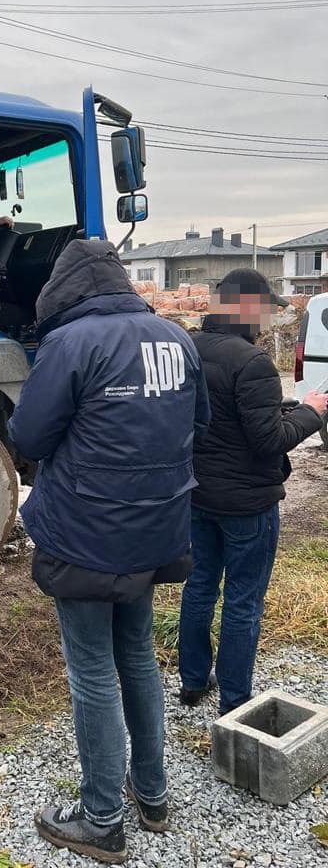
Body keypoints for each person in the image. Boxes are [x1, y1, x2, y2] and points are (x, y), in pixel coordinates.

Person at [8, 240, 210, 863]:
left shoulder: (72, 345)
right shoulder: (176, 339)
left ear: (65, 291)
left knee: (91, 669)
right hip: (156, 526)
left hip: (86, 534)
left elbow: (29, 435)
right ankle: (151, 794)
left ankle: (100, 818)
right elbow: (196, 425)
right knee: (139, 656)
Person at [178, 269, 328, 715]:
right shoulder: (253, 361)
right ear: (245, 308)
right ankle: (234, 701)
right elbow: (269, 441)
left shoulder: (190, 349)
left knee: (200, 588)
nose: (265, 320)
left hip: (198, 494)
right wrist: (311, 412)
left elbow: (215, 418)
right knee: (243, 600)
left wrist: (276, 409)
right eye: (264, 309)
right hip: (247, 504)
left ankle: (191, 681)